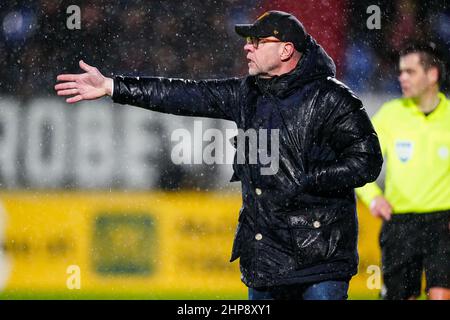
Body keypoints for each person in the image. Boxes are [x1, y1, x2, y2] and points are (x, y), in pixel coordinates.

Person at [55, 10, 383, 300]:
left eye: (257, 41)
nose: (247, 46)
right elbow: (183, 94)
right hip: (265, 259)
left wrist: (308, 180)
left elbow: (367, 161)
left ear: (285, 50)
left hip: (320, 261)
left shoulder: (331, 98)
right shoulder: (247, 94)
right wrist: (113, 86)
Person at [356, 42, 450, 300]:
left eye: (410, 71)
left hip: (444, 223)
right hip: (400, 224)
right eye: (400, 72)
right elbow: (358, 161)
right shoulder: (390, 115)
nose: (402, 78)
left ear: (432, 75)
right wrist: (373, 197)